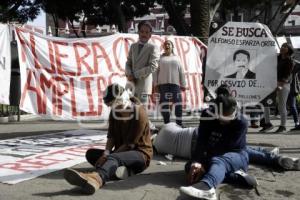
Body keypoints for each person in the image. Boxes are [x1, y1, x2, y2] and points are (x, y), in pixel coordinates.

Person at [63, 84, 153, 194]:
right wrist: (105, 154)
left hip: (140, 154)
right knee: (91, 154)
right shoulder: (114, 112)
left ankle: (97, 178)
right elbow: (111, 137)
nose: (112, 108)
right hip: (121, 153)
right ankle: (121, 170)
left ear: (122, 100)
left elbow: (130, 144)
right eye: (110, 105)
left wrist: (109, 156)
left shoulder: (139, 113)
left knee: (113, 158)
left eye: (113, 104)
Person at [179, 94, 249, 200]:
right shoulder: (206, 115)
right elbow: (201, 140)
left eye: (228, 117)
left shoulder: (241, 122)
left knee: (218, 161)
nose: (224, 121)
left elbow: (226, 148)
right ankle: (235, 177)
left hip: (235, 155)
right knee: (190, 168)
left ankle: (207, 187)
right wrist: (197, 162)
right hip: (212, 154)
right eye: (221, 117)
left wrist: (204, 165)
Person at [153, 122, 300, 171]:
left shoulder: (158, 147)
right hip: (199, 136)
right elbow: (178, 125)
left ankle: (272, 157)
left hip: (196, 151)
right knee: (239, 149)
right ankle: (274, 158)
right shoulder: (166, 127)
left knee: (239, 150)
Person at [260, 43, 294, 133]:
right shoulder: (277, 58)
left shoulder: (289, 61)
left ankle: (283, 126)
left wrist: (280, 85)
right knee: (266, 104)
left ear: (289, 49)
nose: (282, 48)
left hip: (283, 85)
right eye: (282, 46)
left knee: (281, 106)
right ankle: (267, 124)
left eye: (285, 47)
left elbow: (287, 75)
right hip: (272, 84)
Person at [125, 20, 160, 105]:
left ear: (150, 34)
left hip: (144, 85)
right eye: (142, 31)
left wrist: (135, 74)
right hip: (131, 84)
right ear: (138, 32)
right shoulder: (133, 46)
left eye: (147, 32)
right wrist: (129, 74)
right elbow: (128, 62)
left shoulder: (153, 47)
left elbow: (153, 66)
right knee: (131, 112)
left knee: (141, 113)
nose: (144, 34)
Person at [154, 40, 186, 126]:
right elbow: (156, 72)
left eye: (169, 44)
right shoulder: (160, 58)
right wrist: (155, 84)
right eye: (165, 44)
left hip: (175, 85)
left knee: (178, 104)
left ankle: (179, 123)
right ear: (164, 47)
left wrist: (183, 84)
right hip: (163, 85)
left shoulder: (177, 58)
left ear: (172, 47)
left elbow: (181, 71)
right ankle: (167, 123)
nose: (167, 45)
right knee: (164, 105)